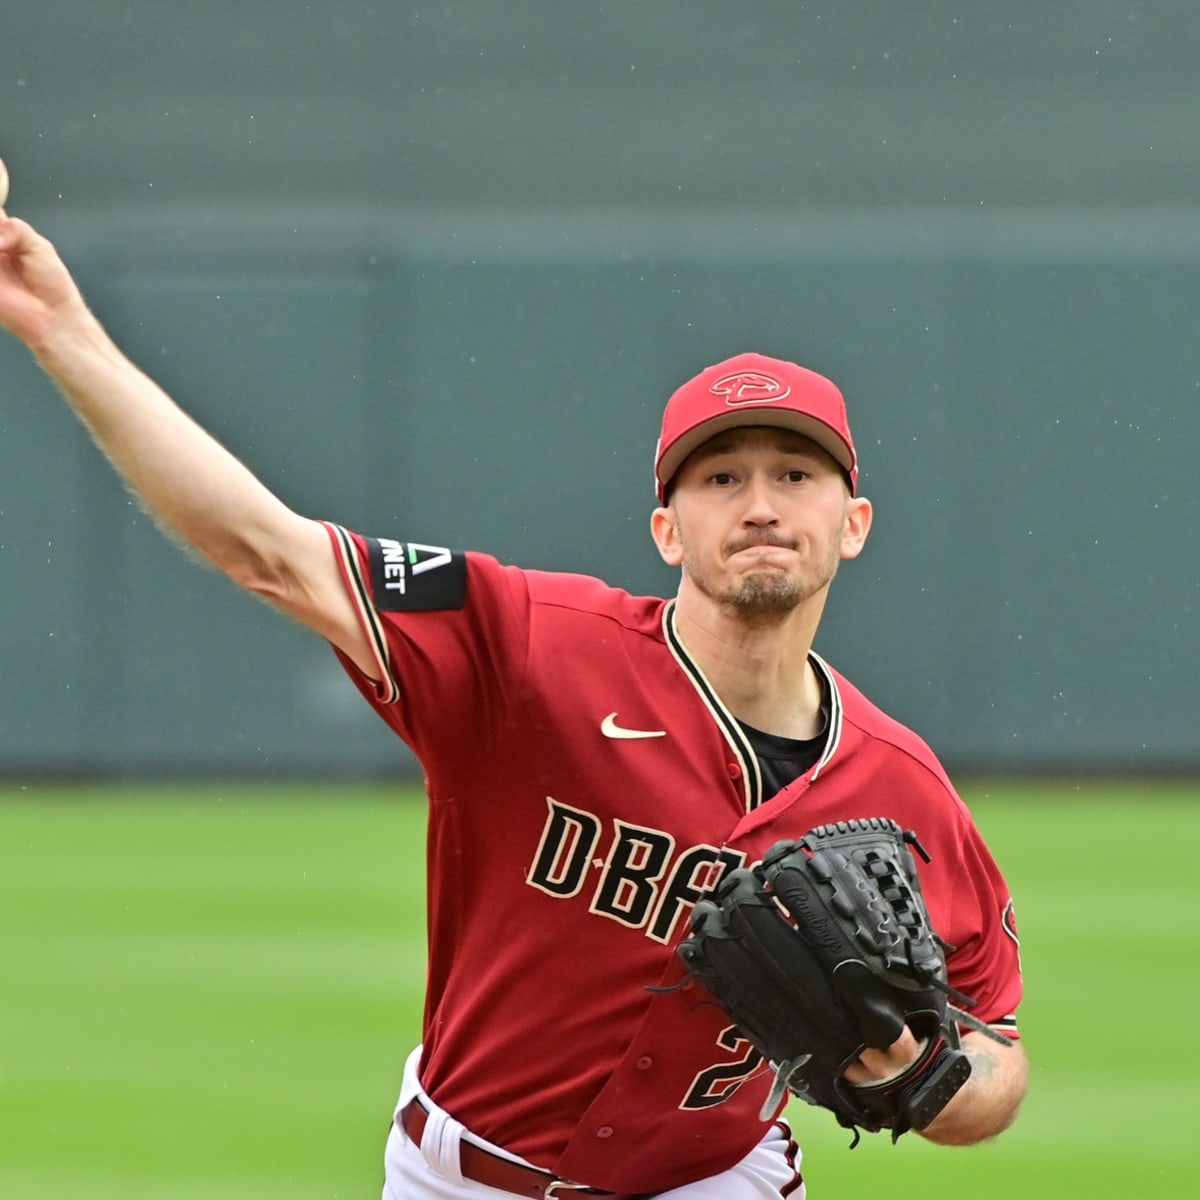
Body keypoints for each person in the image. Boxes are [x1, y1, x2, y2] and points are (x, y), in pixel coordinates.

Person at [0, 199, 1028, 1200]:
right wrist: (58, 324)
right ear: (667, 530)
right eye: (719, 479)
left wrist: (924, 1082)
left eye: (794, 473)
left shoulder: (903, 788)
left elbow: (998, 1060)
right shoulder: (527, 644)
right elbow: (266, 550)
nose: (759, 504)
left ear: (851, 522)